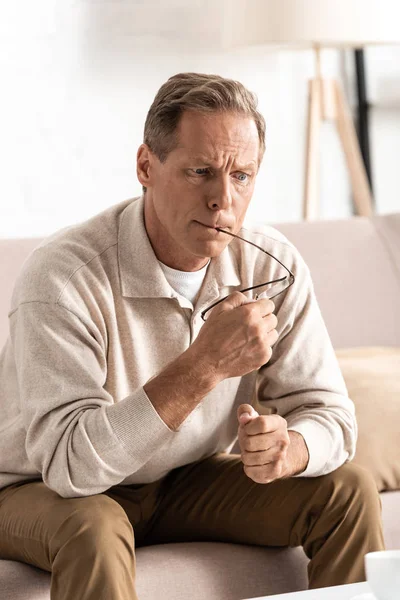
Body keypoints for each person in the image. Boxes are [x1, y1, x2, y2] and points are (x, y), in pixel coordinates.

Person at [0, 72, 384, 599]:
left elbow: (332, 417)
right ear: (146, 167)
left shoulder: (271, 264)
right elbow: (71, 467)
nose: (222, 199)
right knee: (95, 527)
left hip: (182, 481)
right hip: (38, 488)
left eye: (242, 176)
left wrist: (290, 448)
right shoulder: (64, 274)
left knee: (347, 490)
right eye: (200, 171)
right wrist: (204, 365)